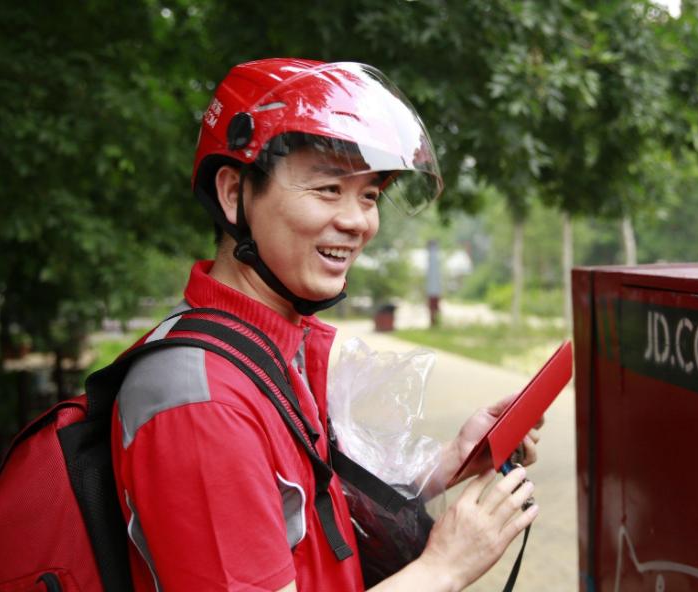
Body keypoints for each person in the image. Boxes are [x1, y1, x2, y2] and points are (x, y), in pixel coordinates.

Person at [111, 58, 540, 592]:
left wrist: (449, 464)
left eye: (369, 195)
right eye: (328, 189)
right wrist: (443, 569)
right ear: (233, 194)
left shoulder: (266, 349)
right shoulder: (203, 405)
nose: (358, 222)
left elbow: (310, 522)